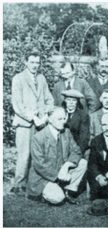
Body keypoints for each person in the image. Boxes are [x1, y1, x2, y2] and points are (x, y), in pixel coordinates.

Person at [11, 50, 54, 194]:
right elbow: (17, 105)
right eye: (32, 62)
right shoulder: (18, 78)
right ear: (26, 62)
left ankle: (34, 183)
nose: (35, 65)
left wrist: (45, 115)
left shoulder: (41, 78)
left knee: (39, 153)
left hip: (41, 123)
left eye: (37, 62)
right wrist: (32, 117)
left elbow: (49, 99)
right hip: (25, 124)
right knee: (24, 154)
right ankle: (18, 184)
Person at [27, 107, 87, 205]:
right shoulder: (38, 138)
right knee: (58, 198)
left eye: (64, 118)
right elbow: (40, 165)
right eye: (59, 119)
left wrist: (67, 165)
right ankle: (43, 194)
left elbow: (77, 151)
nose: (63, 122)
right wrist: (57, 175)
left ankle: (67, 191)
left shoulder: (66, 132)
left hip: (61, 171)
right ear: (50, 119)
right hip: (43, 178)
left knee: (83, 163)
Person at [61, 89, 90, 156]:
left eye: (74, 100)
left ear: (77, 102)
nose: (71, 103)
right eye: (68, 100)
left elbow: (84, 138)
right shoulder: (60, 113)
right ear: (65, 100)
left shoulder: (83, 116)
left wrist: (77, 154)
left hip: (76, 149)